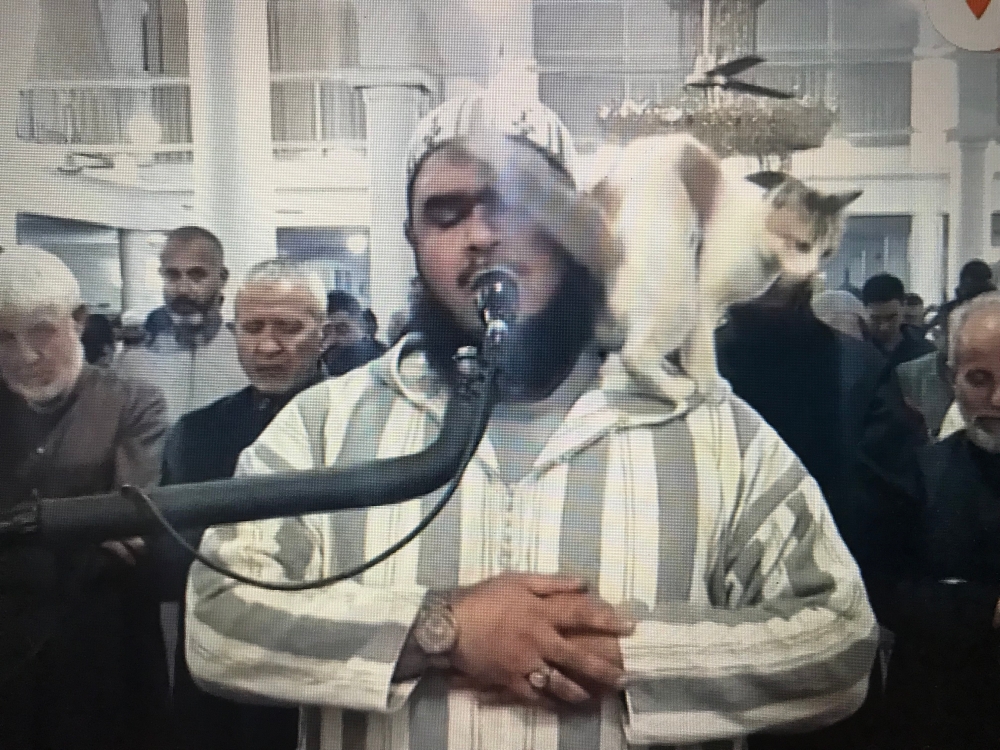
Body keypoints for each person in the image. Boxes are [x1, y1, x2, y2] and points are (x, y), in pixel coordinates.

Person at [185, 91, 877, 750]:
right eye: (447, 214)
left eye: (513, 204)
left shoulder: (707, 425)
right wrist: (440, 630)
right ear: (413, 243)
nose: (483, 236)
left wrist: (619, 653)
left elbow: (841, 644)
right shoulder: (325, 426)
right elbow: (216, 622)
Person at [717, 278, 926, 750]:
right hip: (708, 646)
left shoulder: (859, 370)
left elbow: (889, 517)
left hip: (825, 640)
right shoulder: (692, 371)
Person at [0, 246, 173, 750]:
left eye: (41, 331)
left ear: (78, 322)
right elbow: (100, 532)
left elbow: (127, 528)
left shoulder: (133, 402)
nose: (24, 355)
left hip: (103, 645)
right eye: (3, 337)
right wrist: (79, 526)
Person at [154, 259, 329, 750]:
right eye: (252, 328)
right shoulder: (196, 435)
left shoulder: (361, 426)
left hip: (327, 661)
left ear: (324, 332)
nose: (267, 347)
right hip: (223, 670)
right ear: (233, 332)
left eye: (288, 328)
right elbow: (176, 562)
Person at [871, 291, 1000, 748]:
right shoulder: (919, 475)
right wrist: (984, 611)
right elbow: (883, 589)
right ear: (951, 379)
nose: (998, 399)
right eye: (980, 379)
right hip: (939, 713)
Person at [115, 225, 248, 424]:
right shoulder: (132, 360)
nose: (183, 288)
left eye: (197, 275)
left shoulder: (246, 355)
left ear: (222, 278)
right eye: (172, 275)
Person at [861, 273, 935, 367]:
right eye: (876, 319)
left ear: (904, 306)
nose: (884, 327)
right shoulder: (853, 353)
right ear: (863, 310)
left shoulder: (925, 353)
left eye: (891, 317)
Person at [322, 289, 386, 376]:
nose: (333, 340)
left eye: (342, 330)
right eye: (325, 334)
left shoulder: (386, 365)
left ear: (364, 329)